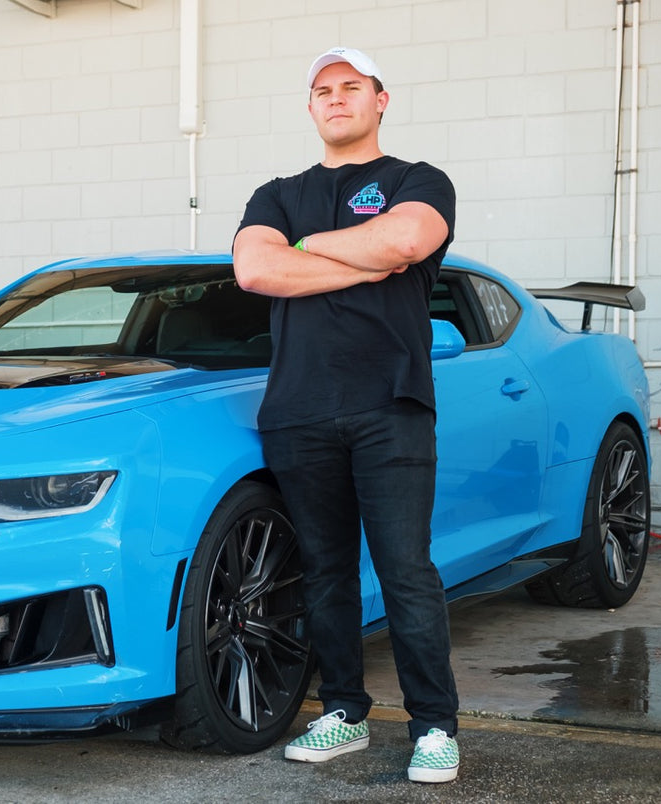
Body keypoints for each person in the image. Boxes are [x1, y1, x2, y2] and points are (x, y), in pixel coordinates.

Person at [232, 46, 461, 784]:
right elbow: (255, 268)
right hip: (297, 411)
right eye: (322, 90)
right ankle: (344, 713)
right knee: (326, 572)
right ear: (310, 108)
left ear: (379, 100)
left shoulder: (417, 181)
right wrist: (357, 258)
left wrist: (314, 253)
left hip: (389, 405)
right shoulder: (276, 192)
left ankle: (434, 726)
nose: (336, 98)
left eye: (351, 87)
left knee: (405, 571)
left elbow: (404, 239)